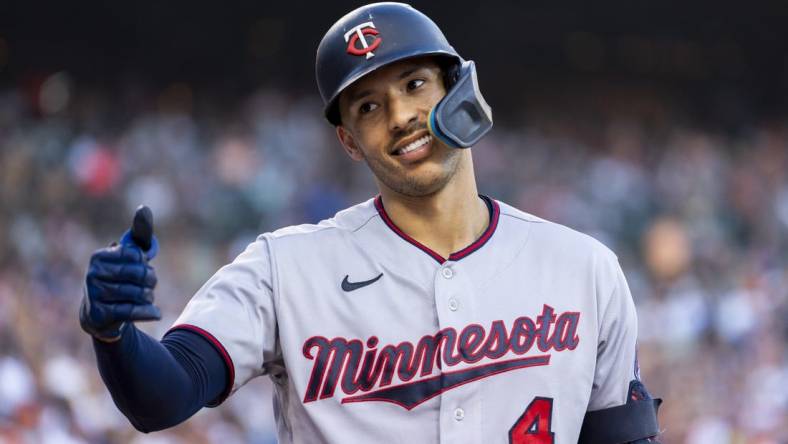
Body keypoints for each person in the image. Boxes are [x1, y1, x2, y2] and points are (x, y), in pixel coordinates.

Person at [80, 3, 661, 443]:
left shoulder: (583, 268)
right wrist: (113, 335)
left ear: (458, 89)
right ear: (350, 142)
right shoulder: (285, 269)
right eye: (368, 107)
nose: (402, 116)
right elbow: (165, 396)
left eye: (414, 85)